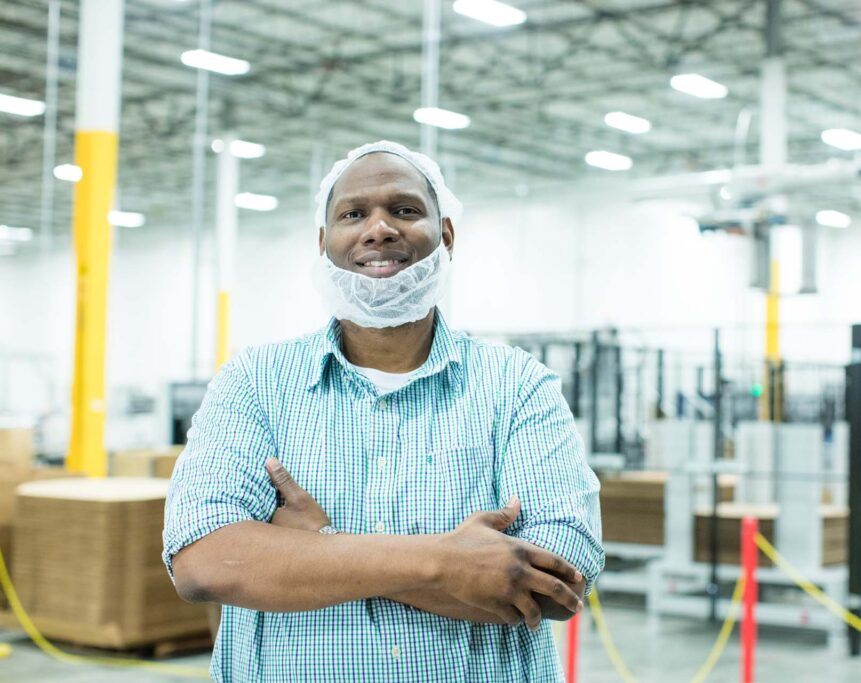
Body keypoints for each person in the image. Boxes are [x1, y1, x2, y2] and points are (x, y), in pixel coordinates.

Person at [163, 140, 605, 682]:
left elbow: (560, 582)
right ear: (324, 243)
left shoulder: (518, 385)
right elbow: (205, 561)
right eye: (354, 213)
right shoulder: (255, 381)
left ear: (445, 236)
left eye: (405, 210)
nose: (379, 230)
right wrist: (449, 562)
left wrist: (317, 549)